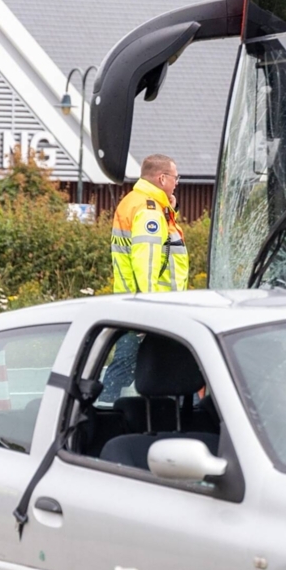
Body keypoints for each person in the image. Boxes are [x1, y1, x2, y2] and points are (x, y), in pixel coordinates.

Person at [101, 154, 190, 403]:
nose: (177, 183)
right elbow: (147, 262)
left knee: (125, 368)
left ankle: (103, 410)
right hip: (152, 309)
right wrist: (149, 311)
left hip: (135, 302)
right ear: (162, 178)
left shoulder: (139, 202)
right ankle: (106, 412)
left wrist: (169, 206)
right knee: (128, 369)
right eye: (175, 178)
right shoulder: (149, 210)